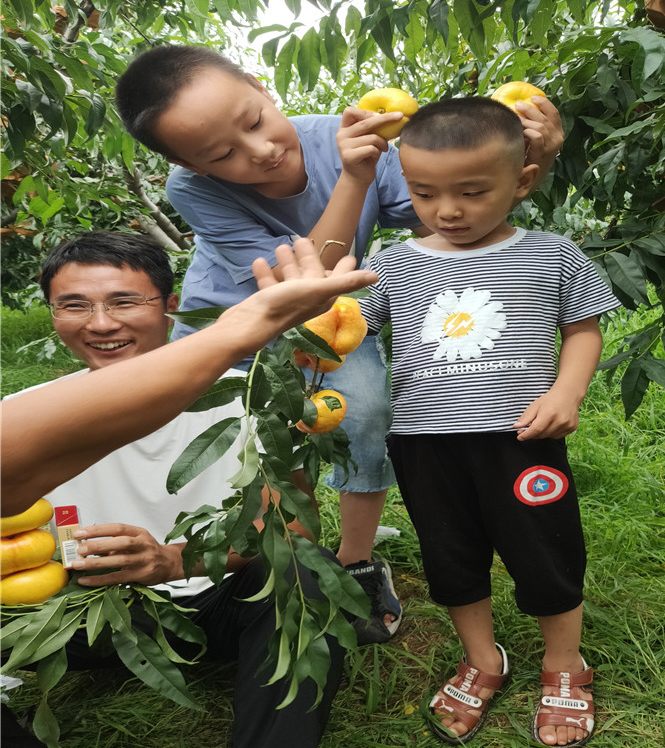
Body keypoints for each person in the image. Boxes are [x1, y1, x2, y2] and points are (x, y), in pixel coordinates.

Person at [114, 44, 564, 644]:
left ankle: (355, 562)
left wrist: (533, 158)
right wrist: (356, 178)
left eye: (254, 120)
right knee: (262, 438)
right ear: (186, 164)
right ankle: (288, 558)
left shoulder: (353, 137)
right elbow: (303, 286)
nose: (262, 149)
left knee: (366, 413)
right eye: (222, 154)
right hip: (237, 324)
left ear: (261, 86)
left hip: (336, 319)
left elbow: (452, 213)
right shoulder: (196, 191)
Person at [2, 232, 377, 748]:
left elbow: (292, 526)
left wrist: (172, 561)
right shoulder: (28, 416)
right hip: (74, 616)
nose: (101, 323)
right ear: (51, 314)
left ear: (171, 307)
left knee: (303, 570)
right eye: (74, 305)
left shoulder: (249, 403)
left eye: (124, 301)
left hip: (210, 602)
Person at [356, 97, 621, 747]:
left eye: (472, 192)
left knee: (546, 551)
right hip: (423, 442)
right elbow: (346, 327)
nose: (447, 210)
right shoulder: (394, 262)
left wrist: (569, 390)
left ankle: (564, 664)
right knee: (450, 557)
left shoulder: (551, 254)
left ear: (522, 180)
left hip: (524, 439)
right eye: (424, 193)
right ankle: (482, 659)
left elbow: (583, 330)